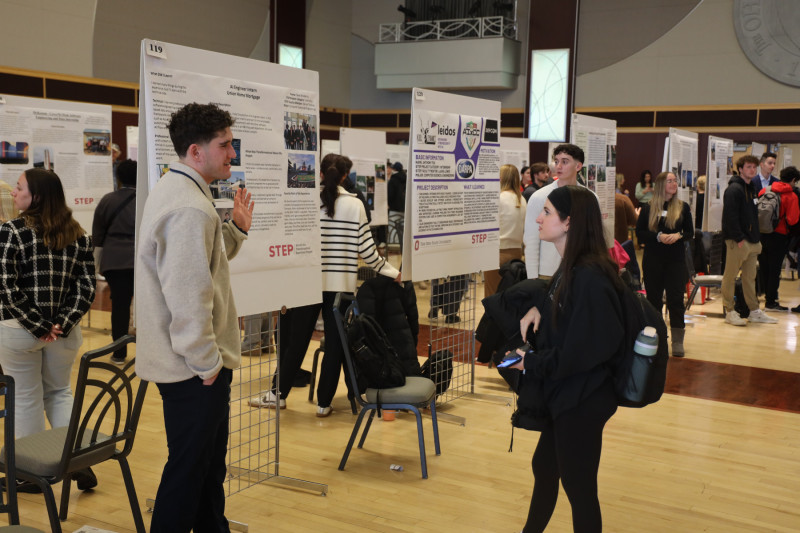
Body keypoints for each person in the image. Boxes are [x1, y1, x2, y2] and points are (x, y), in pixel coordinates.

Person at [135, 102, 254, 532]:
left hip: (191, 366)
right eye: (225, 145)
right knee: (189, 474)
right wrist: (207, 365)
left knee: (203, 471)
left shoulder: (182, 191)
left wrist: (236, 229)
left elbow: (203, 264)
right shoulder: (188, 206)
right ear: (196, 151)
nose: (232, 154)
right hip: (192, 370)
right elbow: (188, 298)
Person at [510, 185, 624, 533]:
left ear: (569, 222)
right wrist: (537, 308)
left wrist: (530, 363)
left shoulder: (590, 276)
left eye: (546, 212)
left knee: (579, 487)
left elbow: (582, 352)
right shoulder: (572, 267)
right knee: (545, 468)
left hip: (584, 397)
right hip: (568, 393)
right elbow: (562, 312)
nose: (539, 219)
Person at [0, 168, 96, 491]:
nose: (13, 192)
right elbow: (86, 288)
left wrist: (38, 325)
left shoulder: (11, 232)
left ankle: (31, 474)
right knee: (60, 392)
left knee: (26, 398)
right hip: (65, 333)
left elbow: (6, 287)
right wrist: (61, 323)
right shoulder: (79, 235)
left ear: (37, 196)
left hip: (17, 330)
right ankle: (76, 460)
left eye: (19, 187)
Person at [524, 144, 607, 280]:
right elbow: (531, 239)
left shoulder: (590, 197)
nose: (558, 166)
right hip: (548, 273)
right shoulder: (539, 197)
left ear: (578, 166)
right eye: (556, 161)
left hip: (581, 271)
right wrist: (532, 278)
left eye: (565, 162)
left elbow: (595, 236)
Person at [635, 172, 693, 356]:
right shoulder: (648, 208)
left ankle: (677, 342)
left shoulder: (683, 207)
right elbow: (640, 233)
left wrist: (678, 235)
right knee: (654, 301)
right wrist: (658, 237)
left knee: (676, 300)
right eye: (670, 181)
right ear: (660, 184)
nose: (674, 183)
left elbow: (690, 232)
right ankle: (657, 338)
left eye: (675, 181)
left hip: (675, 261)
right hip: (653, 260)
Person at [720, 155, 777, 327]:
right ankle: (730, 311)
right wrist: (739, 238)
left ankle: (754, 311)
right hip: (737, 241)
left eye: (754, 167)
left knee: (750, 278)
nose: (752, 170)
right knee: (730, 277)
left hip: (752, 241)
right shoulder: (733, 190)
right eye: (748, 167)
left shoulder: (751, 187)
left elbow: (753, 216)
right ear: (740, 169)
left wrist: (756, 238)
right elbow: (730, 217)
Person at [92, 158, 137, 364]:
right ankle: (149, 352)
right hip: (142, 260)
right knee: (148, 306)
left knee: (120, 306)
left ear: (118, 177)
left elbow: (98, 235)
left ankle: (119, 353)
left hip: (114, 260)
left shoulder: (107, 200)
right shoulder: (147, 199)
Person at [757, 166, 799, 311]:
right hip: (779, 236)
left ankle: (766, 297)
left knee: (764, 267)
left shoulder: (765, 190)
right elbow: (793, 220)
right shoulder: (791, 196)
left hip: (761, 234)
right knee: (775, 269)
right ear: (793, 180)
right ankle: (771, 302)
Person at [484, 164, 526, 298]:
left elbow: (489, 224)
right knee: (508, 296)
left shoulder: (498, 198)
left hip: (497, 252)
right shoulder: (522, 199)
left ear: (501, 178)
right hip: (516, 252)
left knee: (492, 295)